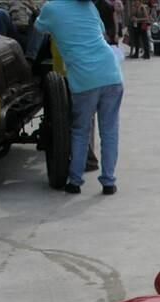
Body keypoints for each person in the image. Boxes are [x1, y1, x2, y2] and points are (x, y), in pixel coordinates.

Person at [34, 0, 124, 195]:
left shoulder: (51, 8)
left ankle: (75, 181)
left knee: (81, 130)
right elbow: (101, 32)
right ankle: (109, 182)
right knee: (109, 131)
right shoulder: (88, 6)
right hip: (111, 72)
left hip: (84, 78)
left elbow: (38, 28)